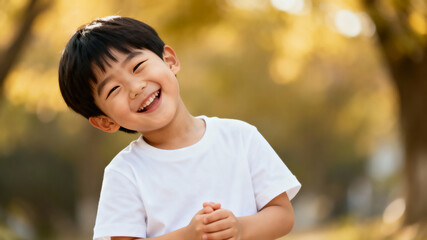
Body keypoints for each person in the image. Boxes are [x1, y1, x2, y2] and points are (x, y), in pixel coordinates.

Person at [58, 16, 301, 240]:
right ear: (105, 121)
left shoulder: (240, 137)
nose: (135, 87)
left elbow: (282, 214)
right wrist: (187, 236)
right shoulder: (125, 173)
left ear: (170, 61)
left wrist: (240, 227)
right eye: (113, 90)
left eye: (138, 66)